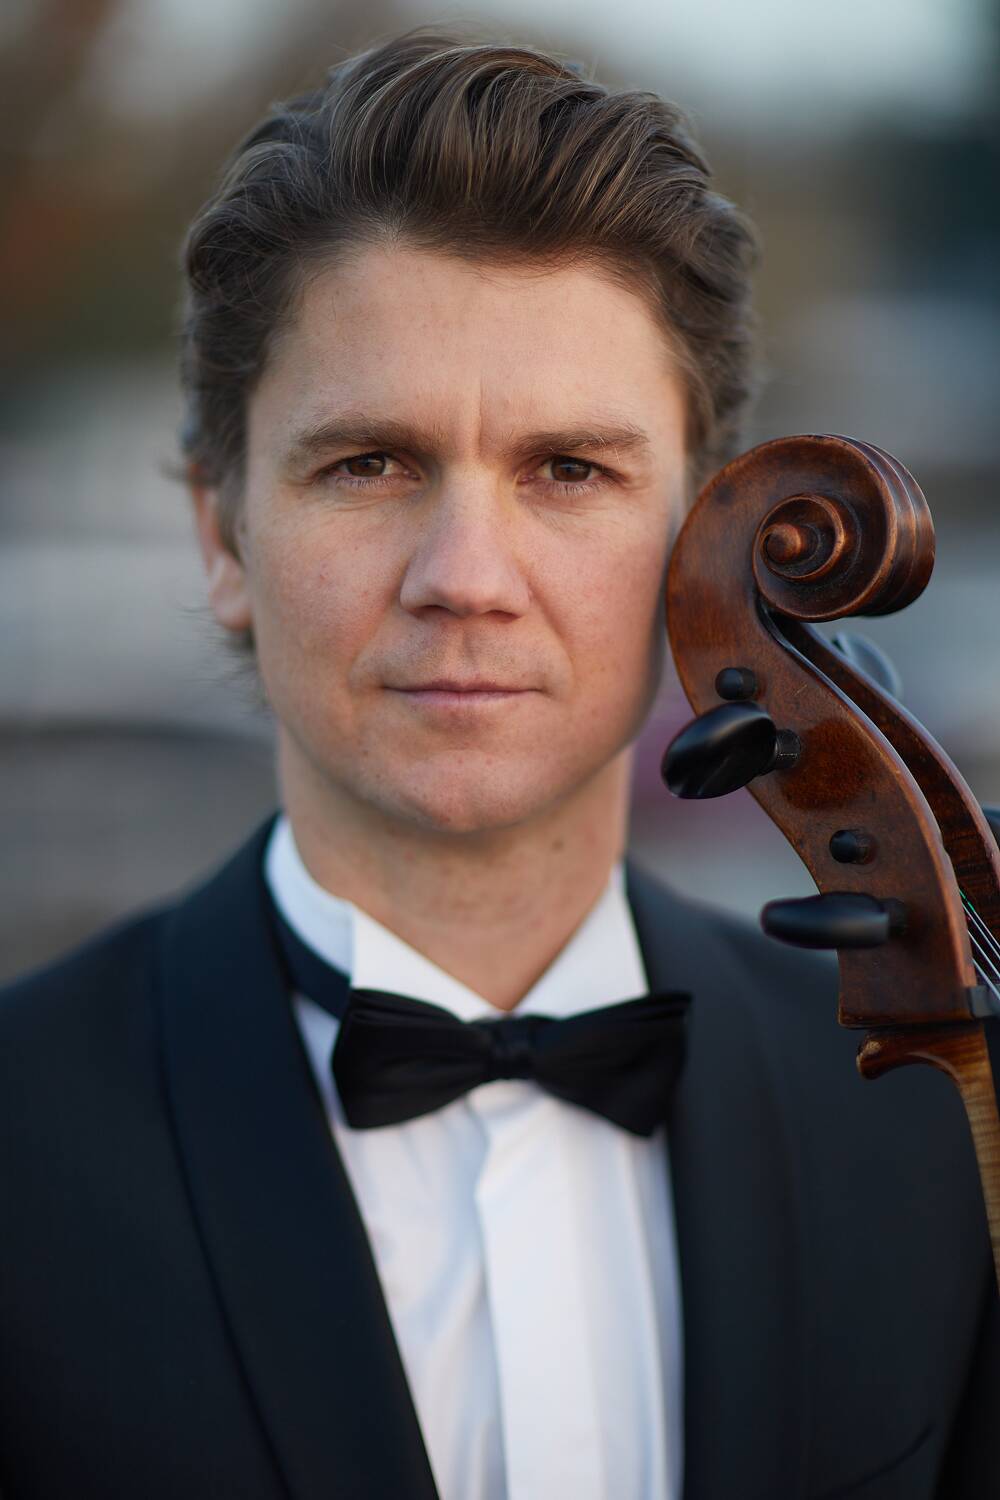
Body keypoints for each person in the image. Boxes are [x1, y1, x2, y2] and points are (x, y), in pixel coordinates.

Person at [1, 31, 997, 1500]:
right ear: (222, 536)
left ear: (708, 545)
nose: (465, 578)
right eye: (370, 464)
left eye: (569, 470)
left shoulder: (934, 1115)